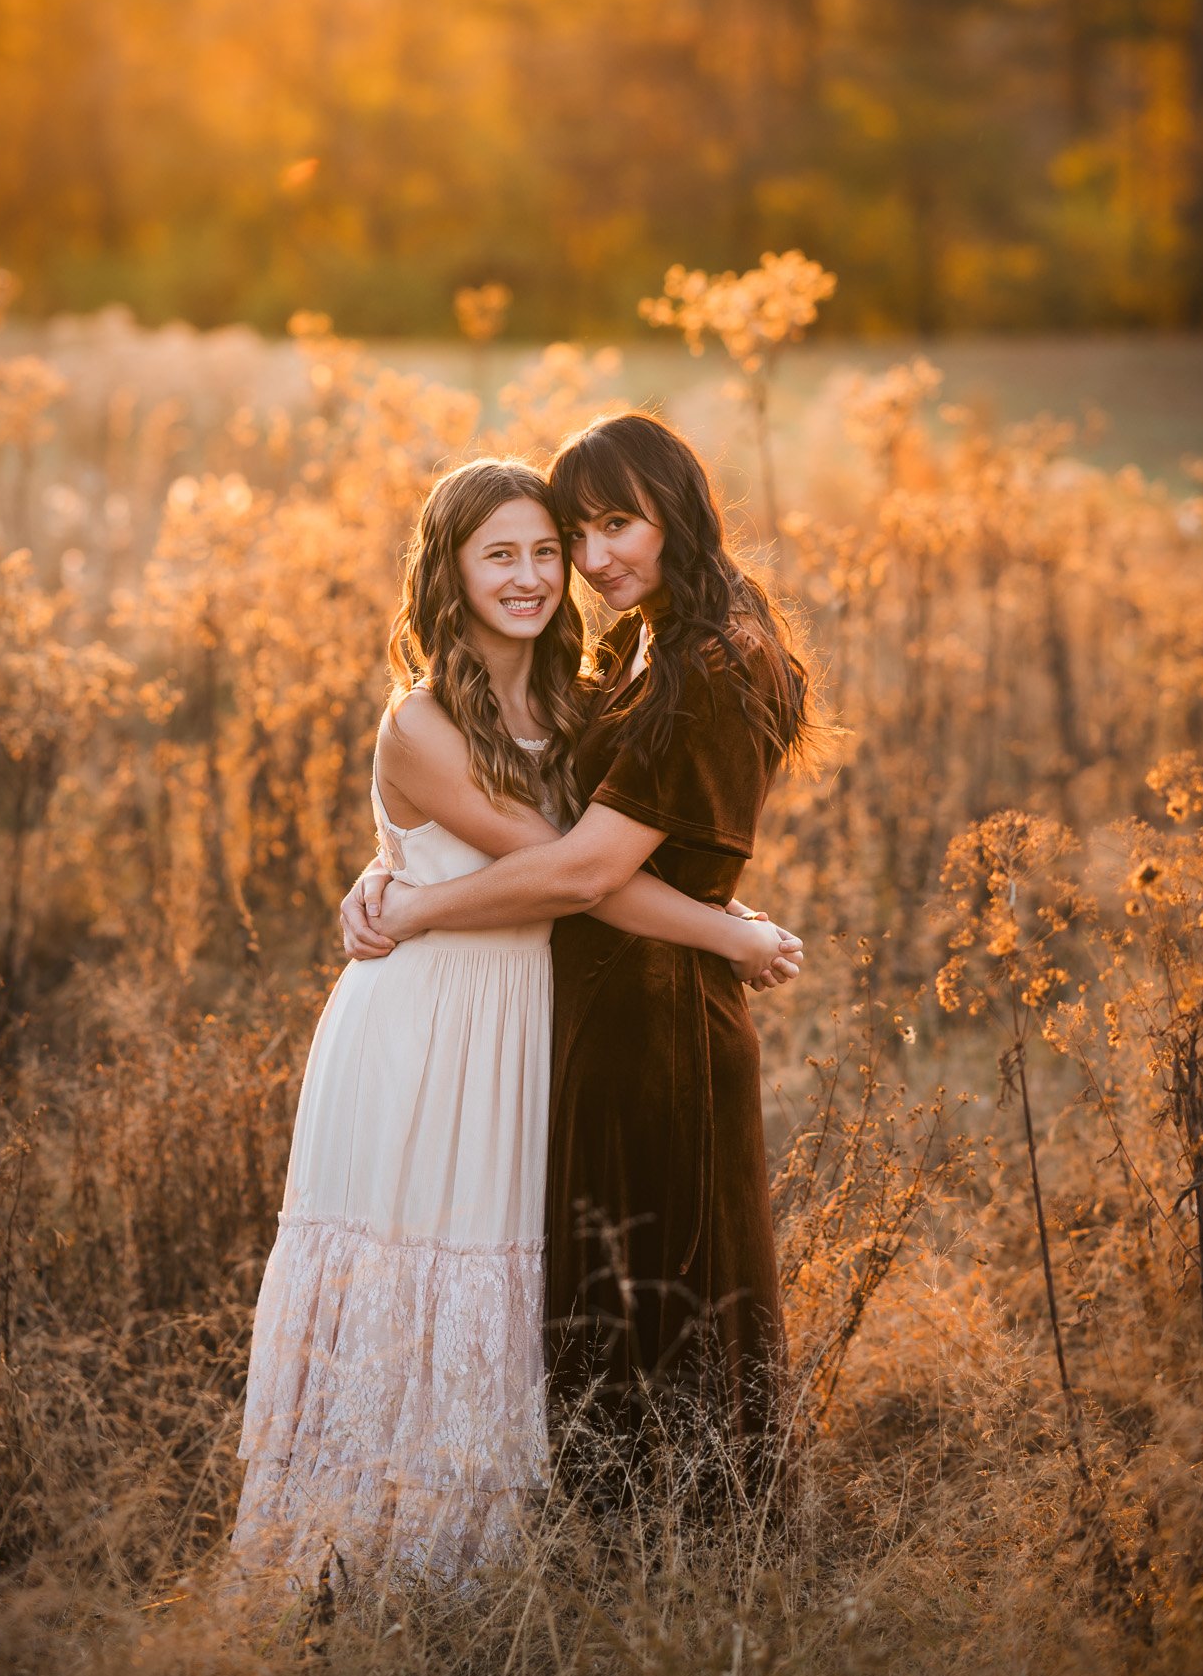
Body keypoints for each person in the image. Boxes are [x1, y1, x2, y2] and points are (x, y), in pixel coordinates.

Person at [234, 457, 796, 1583]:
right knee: (416, 1270)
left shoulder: (586, 691)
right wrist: (724, 931)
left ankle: (480, 1564)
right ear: (446, 569)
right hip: (424, 1023)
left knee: (495, 1275)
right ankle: (361, 1566)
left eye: (548, 549)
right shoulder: (421, 718)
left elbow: (608, 850)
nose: (536, 574)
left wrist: (400, 877)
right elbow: (568, 873)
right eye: (501, 553)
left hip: (519, 1022)